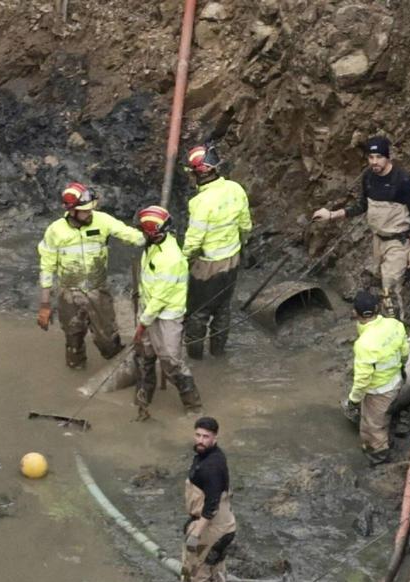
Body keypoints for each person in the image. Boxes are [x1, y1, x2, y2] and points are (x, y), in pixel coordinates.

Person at [36, 181, 145, 369]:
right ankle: (76, 368)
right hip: (69, 293)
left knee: (108, 340)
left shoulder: (102, 220)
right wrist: (45, 305)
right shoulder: (55, 231)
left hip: (97, 290)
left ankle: (119, 367)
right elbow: (47, 266)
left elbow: (130, 234)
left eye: (90, 209)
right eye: (85, 211)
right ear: (72, 211)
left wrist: (154, 233)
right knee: (73, 339)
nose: (89, 214)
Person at [312, 135, 410, 319]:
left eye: (379, 157)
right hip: (377, 239)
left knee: (390, 286)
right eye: (371, 158)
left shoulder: (403, 180)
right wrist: (332, 215)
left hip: (398, 241)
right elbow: (361, 206)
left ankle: (396, 327)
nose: (374, 162)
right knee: (382, 281)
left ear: (387, 157)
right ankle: (385, 321)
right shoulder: (369, 177)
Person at [181, 144, 253, 359]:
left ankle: (195, 358)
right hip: (232, 259)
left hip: (208, 265)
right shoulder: (235, 188)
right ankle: (218, 354)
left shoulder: (200, 202)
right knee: (222, 308)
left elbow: (194, 240)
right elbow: (245, 225)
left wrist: (181, 260)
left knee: (198, 313)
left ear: (198, 173)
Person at [132, 205, 202, 419]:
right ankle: (143, 400)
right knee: (145, 355)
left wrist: (142, 324)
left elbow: (161, 298)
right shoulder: (154, 244)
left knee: (171, 360)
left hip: (167, 315)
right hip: (149, 310)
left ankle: (193, 406)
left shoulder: (171, 258)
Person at [182, 416, 237, 582]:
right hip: (226, 526)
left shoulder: (211, 467)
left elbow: (211, 504)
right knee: (217, 572)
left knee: (195, 576)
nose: (201, 440)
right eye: (198, 435)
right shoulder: (211, 456)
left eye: (206, 436)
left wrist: (196, 533)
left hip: (211, 527)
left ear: (215, 438)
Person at [344, 290, 409, 465]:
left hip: (379, 390)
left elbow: (363, 379)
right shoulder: (395, 325)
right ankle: (392, 424)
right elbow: (404, 352)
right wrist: (402, 368)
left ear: (355, 313)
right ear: (377, 308)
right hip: (396, 379)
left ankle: (379, 454)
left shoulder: (364, 345)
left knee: (372, 425)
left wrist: (354, 400)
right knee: (386, 412)